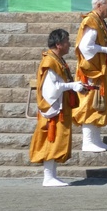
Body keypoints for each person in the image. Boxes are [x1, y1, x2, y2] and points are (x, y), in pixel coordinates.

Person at [28, 29, 87, 187]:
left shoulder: (57, 59)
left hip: (61, 106)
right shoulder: (50, 62)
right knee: (51, 141)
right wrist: (72, 86)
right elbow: (51, 89)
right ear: (58, 44)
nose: (69, 44)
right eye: (67, 41)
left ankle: (52, 175)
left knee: (57, 141)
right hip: (54, 109)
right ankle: (48, 177)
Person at [73, 0, 107, 151]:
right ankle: (88, 142)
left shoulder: (98, 21)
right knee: (90, 103)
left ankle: (96, 140)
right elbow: (85, 47)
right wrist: (106, 50)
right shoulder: (91, 21)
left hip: (100, 70)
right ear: (99, 5)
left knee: (99, 104)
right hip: (92, 71)